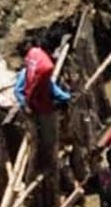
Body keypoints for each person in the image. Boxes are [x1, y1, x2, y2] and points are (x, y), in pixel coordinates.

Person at [14, 43, 72, 177]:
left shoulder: (36, 70)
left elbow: (52, 88)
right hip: (37, 109)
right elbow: (18, 91)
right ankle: (46, 167)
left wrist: (66, 97)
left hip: (41, 104)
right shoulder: (30, 73)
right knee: (46, 140)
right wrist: (25, 104)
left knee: (51, 137)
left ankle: (50, 161)